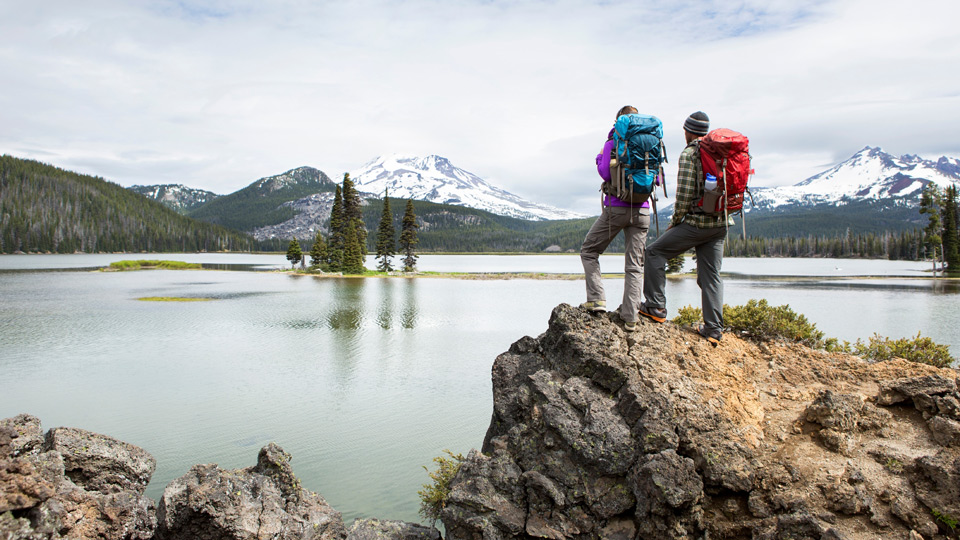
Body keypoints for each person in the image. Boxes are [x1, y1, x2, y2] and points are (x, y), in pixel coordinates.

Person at [638, 111, 732, 345]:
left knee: (654, 252)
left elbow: (684, 195)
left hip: (696, 224)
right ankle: (713, 330)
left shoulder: (691, 154)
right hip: (720, 224)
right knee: (711, 276)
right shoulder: (721, 152)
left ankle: (655, 307)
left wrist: (676, 221)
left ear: (687, 131)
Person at [580, 105, 652, 332]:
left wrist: (601, 157)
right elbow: (656, 180)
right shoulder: (650, 143)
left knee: (589, 251)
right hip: (642, 211)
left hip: (617, 208)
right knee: (635, 265)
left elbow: (604, 173)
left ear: (618, 121)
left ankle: (597, 299)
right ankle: (630, 317)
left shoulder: (613, 142)